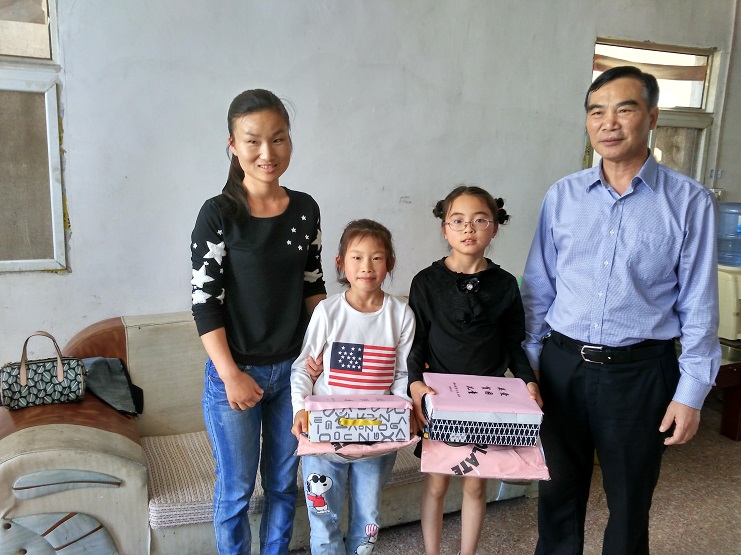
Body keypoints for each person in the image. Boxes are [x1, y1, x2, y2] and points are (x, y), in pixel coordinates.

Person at [520, 66, 721, 555]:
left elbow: (699, 304)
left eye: (624, 109)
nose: (608, 123)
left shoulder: (688, 201)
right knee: (556, 497)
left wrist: (691, 394)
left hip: (640, 374)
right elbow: (538, 288)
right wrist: (529, 366)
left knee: (630, 506)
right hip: (561, 368)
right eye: (596, 112)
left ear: (651, 117)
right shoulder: (562, 195)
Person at [191, 88, 327, 554]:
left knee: (284, 486)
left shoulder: (306, 209)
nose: (267, 153)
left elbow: (313, 286)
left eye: (278, 138)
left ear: (290, 140)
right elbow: (204, 303)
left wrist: (326, 351)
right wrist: (230, 375)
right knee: (236, 491)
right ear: (232, 144)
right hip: (236, 374)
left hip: (294, 373)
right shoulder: (218, 214)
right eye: (252, 141)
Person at [407, 185, 542, 555]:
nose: (469, 228)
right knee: (436, 483)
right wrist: (415, 384)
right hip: (439, 398)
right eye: (458, 220)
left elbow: (514, 343)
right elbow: (416, 342)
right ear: (445, 228)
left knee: (475, 483)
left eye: (480, 220)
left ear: (494, 228)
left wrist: (528, 381)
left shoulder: (505, 285)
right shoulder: (426, 282)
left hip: (487, 400)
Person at [291, 219, 416, 555]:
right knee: (324, 518)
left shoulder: (401, 314)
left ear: (389, 263)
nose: (367, 267)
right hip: (325, 437)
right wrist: (300, 409)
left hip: (378, 438)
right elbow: (303, 368)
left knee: (368, 520)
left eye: (377, 258)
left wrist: (406, 411)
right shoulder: (328, 311)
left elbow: (403, 375)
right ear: (340, 262)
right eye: (357, 257)